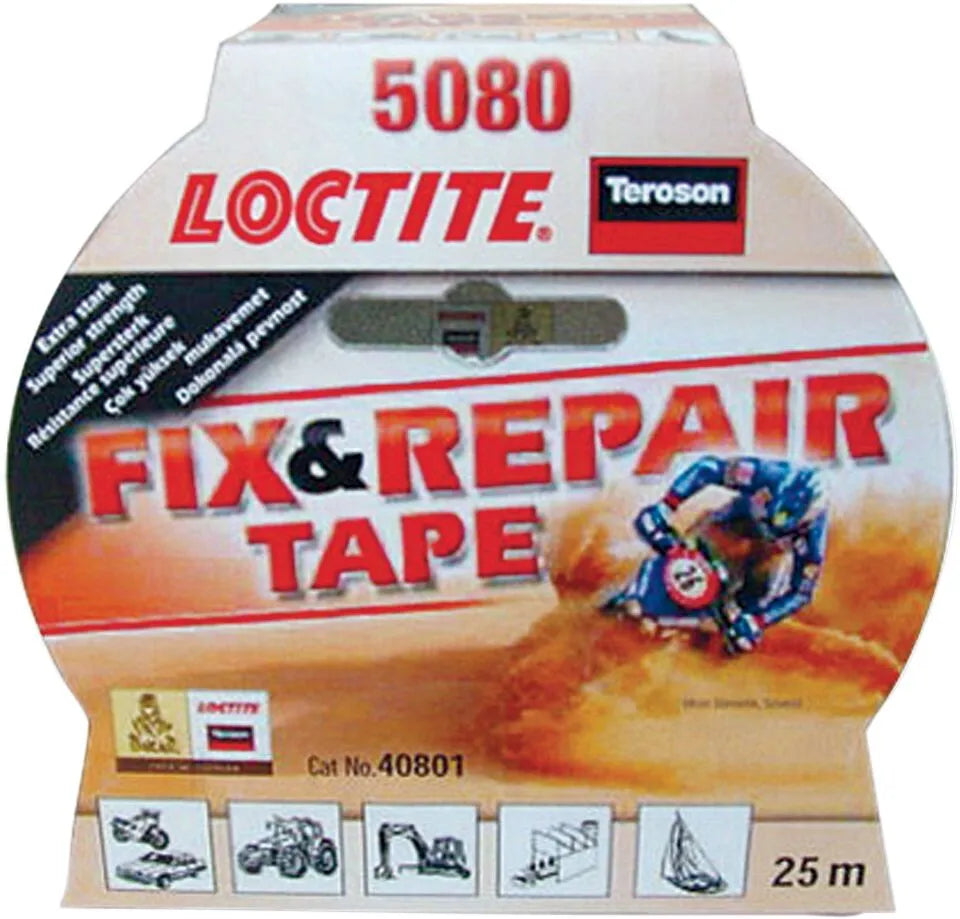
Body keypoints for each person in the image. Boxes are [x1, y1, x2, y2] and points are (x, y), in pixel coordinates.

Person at [606, 455, 827, 652]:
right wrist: (667, 506)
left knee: (739, 631)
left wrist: (758, 621)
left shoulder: (813, 539)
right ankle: (635, 593)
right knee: (681, 551)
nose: (773, 528)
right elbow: (708, 468)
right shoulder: (766, 474)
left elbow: (801, 592)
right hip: (732, 524)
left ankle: (698, 649)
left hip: (766, 560)